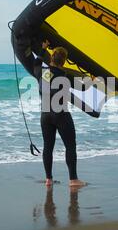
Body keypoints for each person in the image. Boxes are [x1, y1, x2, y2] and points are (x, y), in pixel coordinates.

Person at [33, 40, 87, 188]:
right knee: (70, 146)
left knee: (48, 147)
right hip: (61, 114)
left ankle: (48, 179)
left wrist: (43, 49)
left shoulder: (42, 73)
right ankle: (73, 180)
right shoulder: (66, 76)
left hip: (45, 115)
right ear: (63, 62)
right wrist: (91, 78)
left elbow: (36, 64)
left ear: (51, 59)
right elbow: (83, 88)